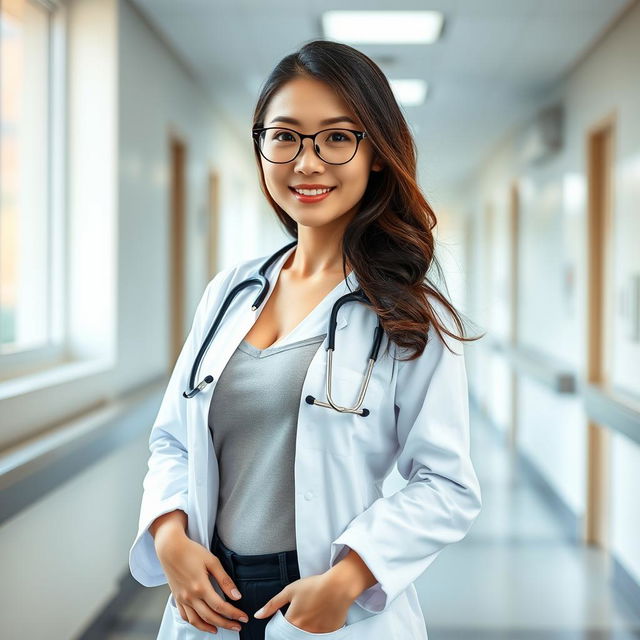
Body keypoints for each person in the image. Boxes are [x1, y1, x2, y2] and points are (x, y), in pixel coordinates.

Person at [129, 39, 485, 640]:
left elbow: (446, 485)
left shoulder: (405, 311)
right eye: (285, 135)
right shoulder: (230, 292)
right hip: (209, 596)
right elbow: (174, 440)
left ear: (376, 153)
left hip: (325, 600)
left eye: (338, 137)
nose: (307, 162)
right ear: (262, 146)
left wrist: (348, 579)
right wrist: (169, 535)